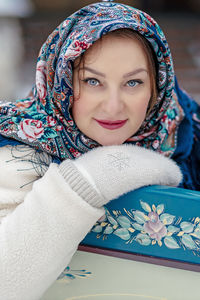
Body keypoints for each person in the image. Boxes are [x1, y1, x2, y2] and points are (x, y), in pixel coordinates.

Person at [0, 1, 199, 299]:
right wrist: (89, 180)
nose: (114, 106)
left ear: (157, 86)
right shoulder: (18, 155)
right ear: (62, 79)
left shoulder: (184, 132)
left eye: (133, 82)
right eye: (92, 81)